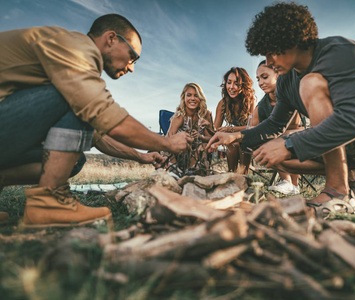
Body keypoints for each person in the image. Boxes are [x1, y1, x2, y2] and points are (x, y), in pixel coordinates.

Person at [207, 3, 355, 217]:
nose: (268, 62)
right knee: (271, 152)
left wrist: (290, 144)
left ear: (294, 39)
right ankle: (353, 177)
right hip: (344, 141)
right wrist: (235, 136)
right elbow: (275, 125)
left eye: (273, 52)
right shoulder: (285, 80)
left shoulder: (342, 51)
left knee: (310, 84)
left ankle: (337, 192)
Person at [0, 14, 190, 227]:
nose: (131, 67)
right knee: (78, 101)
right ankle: (49, 202)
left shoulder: (69, 65)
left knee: (75, 159)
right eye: (132, 56)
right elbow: (102, 114)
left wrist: (140, 156)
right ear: (111, 38)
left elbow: (99, 135)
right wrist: (167, 142)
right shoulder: (76, 47)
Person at [253, 60, 302, 195]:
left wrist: (272, 135)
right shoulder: (261, 106)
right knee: (262, 140)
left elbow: (294, 126)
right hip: (280, 135)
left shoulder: (292, 94)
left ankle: (293, 183)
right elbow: (253, 129)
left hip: (304, 132)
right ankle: (286, 182)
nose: (260, 83)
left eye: (265, 77)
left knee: (277, 138)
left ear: (278, 75)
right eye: (258, 79)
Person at [214, 67, 256, 175]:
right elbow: (215, 128)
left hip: (249, 136)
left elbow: (252, 127)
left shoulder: (250, 100)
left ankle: (243, 176)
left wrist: (230, 129)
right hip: (233, 139)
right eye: (229, 82)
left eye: (236, 83)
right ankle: (231, 174)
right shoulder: (223, 103)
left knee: (242, 142)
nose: (232, 87)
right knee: (232, 143)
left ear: (243, 85)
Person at [166, 83, 214, 171]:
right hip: (181, 153)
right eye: (189, 95)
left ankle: (196, 169)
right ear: (184, 98)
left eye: (196, 95)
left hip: (200, 153)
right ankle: (174, 168)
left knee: (203, 145)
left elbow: (211, 139)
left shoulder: (206, 114)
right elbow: (168, 139)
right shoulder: (179, 117)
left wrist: (200, 137)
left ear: (200, 98)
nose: (192, 98)